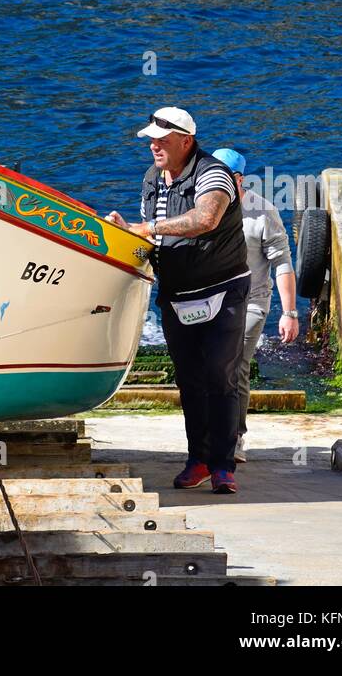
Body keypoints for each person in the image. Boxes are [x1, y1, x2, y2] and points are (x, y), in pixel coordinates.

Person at [108, 107, 249, 495]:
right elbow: (150, 236)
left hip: (223, 291)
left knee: (220, 375)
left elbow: (206, 219)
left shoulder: (213, 173)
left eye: (161, 140)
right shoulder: (153, 178)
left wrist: (148, 227)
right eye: (151, 139)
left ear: (186, 141)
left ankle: (223, 464)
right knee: (189, 380)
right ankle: (198, 459)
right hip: (177, 296)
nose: (153, 145)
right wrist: (124, 234)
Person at [212, 149, 299, 463]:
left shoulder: (263, 212)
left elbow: (283, 264)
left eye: (225, 177)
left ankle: (234, 437)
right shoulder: (202, 206)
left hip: (251, 302)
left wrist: (289, 313)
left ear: (240, 180)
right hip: (210, 302)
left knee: (235, 366)